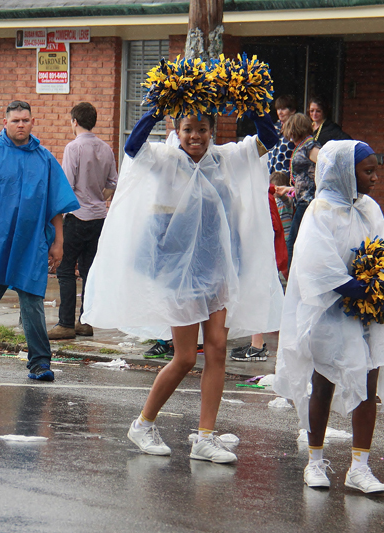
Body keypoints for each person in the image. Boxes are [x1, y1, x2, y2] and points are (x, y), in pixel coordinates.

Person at [82, 108, 283, 463]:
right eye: (188, 129)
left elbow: (269, 139)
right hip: (178, 275)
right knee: (186, 357)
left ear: (211, 131)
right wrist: (153, 109)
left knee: (218, 348)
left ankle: (205, 436)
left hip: (216, 271)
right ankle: (143, 423)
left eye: (202, 129)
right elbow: (133, 147)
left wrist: (253, 102)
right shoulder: (166, 160)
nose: (195, 136)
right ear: (177, 131)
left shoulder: (224, 159)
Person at [274, 140, 384, 493]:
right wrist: (359, 287)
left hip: (366, 315)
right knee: (323, 383)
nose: (376, 177)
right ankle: (315, 460)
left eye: (375, 169)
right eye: (368, 171)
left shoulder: (369, 209)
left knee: (368, 383)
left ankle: (360, 466)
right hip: (330, 312)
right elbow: (315, 263)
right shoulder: (320, 211)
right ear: (343, 173)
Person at [0, 100, 79, 380]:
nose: (20, 124)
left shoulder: (45, 158)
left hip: (30, 244)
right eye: (15, 120)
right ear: (5, 123)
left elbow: (56, 206)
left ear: (33, 122)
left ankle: (40, 362)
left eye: (25, 120)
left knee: (33, 303)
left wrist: (58, 242)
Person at [48, 102, 118, 341]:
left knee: (66, 270)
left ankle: (65, 323)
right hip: (99, 217)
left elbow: (66, 184)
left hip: (76, 216)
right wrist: (98, 197)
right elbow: (113, 184)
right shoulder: (106, 148)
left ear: (74, 121)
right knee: (90, 271)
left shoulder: (73, 147)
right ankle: (85, 321)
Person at [230, 170, 289, 362]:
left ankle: (258, 346)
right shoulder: (260, 193)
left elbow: (271, 225)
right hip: (258, 251)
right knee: (255, 294)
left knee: (258, 295)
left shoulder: (261, 196)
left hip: (259, 252)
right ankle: (257, 343)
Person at [284, 113, 320, 269]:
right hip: (302, 200)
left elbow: (325, 165)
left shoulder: (310, 146)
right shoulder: (303, 145)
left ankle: (293, 280)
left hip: (308, 201)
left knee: (293, 241)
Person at [267, 94, 298, 175]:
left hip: (286, 177)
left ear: (292, 110)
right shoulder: (274, 128)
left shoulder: (297, 129)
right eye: (278, 109)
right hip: (270, 176)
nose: (280, 112)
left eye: (283, 109)